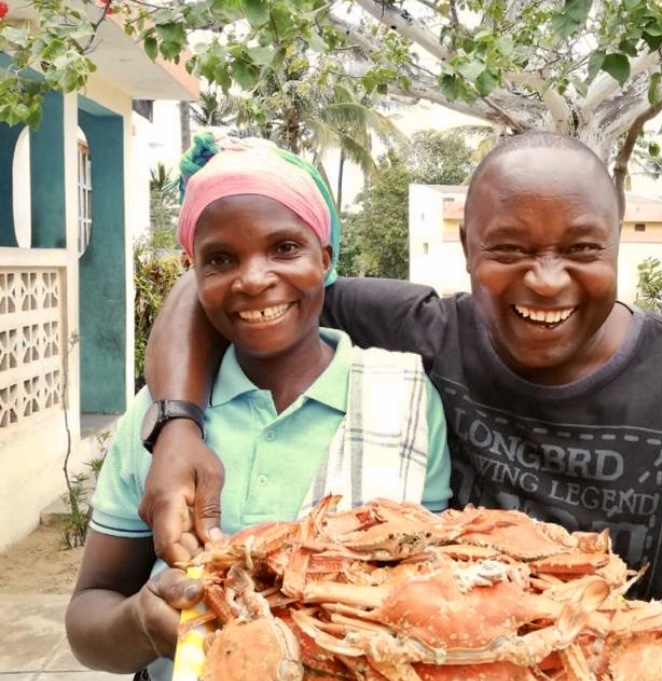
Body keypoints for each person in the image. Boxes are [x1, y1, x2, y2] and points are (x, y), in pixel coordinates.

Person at [139, 131, 662, 681]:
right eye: (510, 249)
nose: (546, 281)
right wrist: (175, 426)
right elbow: (215, 292)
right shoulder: (427, 332)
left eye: (581, 249)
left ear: (615, 246)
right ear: (466, 250)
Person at [64, 135, 452, 680]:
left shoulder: (403, 398)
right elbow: (88, 616)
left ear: (327, 256)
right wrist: (140, 624)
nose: (253, 278)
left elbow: (428, 593)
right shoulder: (159, 419)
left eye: (285, 248)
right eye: (220, 259)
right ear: (192, 272)